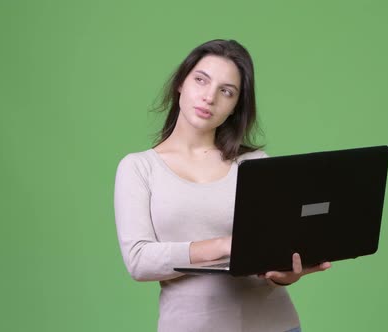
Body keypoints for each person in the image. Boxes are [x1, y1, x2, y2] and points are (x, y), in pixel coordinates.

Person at [113, 39, 332, 332]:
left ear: (235, 106)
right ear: (181, 83)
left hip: (276, 324)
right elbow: (139, 261)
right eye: (201, 80)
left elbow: (272, 251)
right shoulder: (139, 167)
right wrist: (222, 246)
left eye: (226, 91)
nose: (209, 97)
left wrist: (285, 274)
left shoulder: (254, 163)